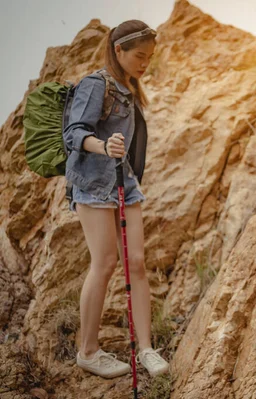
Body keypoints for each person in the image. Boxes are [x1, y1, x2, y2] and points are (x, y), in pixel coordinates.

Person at [63, 20, 169, 379]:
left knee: (136, 263)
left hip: (125, 182)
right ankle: (88, 351)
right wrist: (103, 146)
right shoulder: (96, 84)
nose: (145, 63)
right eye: (139, 56)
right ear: (118, 50)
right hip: (93, 184)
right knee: (106, 262)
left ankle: (147, 350)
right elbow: (75, 133)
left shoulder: (129, 87)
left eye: (150, 58)